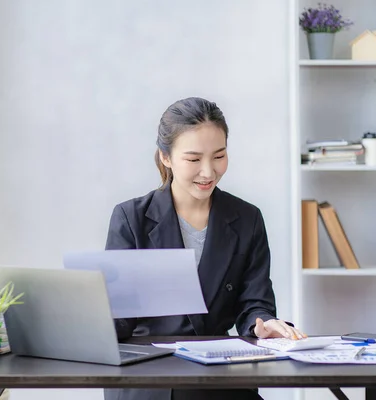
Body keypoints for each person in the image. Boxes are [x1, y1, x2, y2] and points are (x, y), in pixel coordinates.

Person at [104, 97, 306, 400]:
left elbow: (254, 302)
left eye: (219, 156)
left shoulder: (246, 218)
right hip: (150, 377)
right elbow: (118, 316)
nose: (209, 172)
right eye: (194, 159)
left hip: (218, 372)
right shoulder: (131, 218)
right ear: (166, 157)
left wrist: (263, 325)